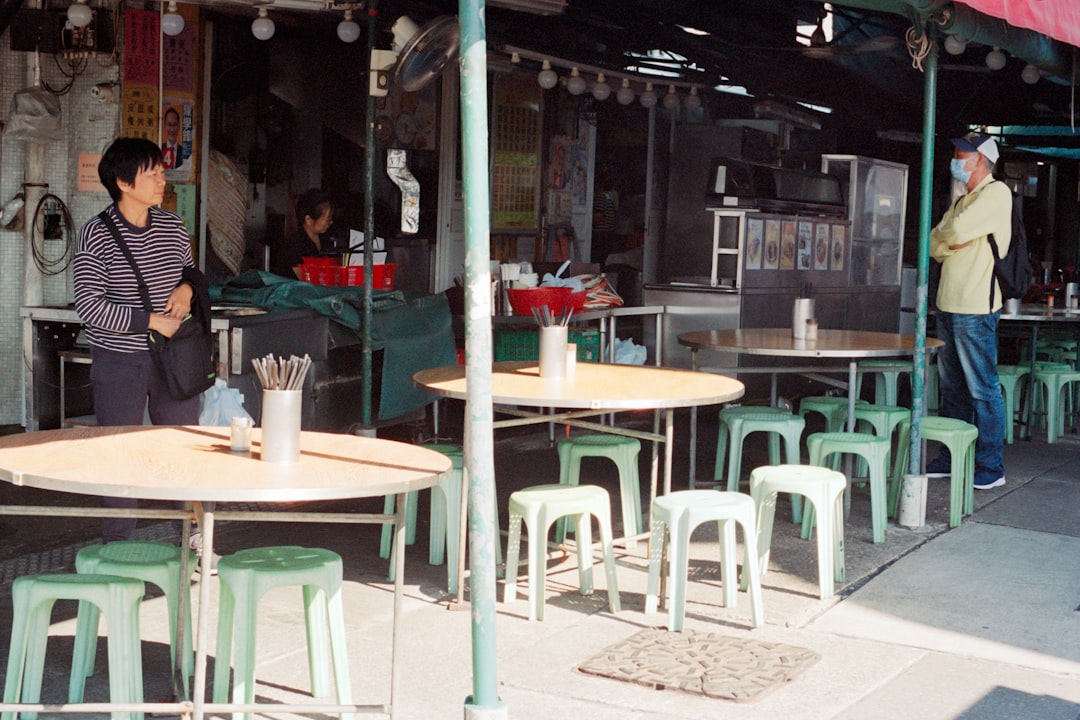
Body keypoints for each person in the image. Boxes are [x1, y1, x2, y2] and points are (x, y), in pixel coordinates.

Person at [73, 137, 205, 543]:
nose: (162, 180)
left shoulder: (171, 225)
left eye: (162, 171)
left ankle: (195, 541)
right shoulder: (95, 234)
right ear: (123, 182)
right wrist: (149, 321)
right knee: (121, 454)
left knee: (185, 450)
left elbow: (192, 273)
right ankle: (118, 547)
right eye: (152, 173)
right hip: (119, 360)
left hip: (174, 356)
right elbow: (89, 306)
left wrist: (186, 292)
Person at [927, 130, 1012, 490]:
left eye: (963, 154)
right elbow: (935, 241)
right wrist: (951, 239)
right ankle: (951, 457)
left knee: (983, 388)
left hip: (976, 307)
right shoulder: (964, 199)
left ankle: (991, 466)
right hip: (948, 303)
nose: (957, 159)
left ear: (980, 160)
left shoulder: (997, 193)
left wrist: (953, 234)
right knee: (953, 390)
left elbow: (956, 228)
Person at [271, 189, 334, 278]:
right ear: (309, 220)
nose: (331, 222)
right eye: (327, 218)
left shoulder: (325, 240)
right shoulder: (293, 245)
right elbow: (306, 280)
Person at [591, 169, 618, 265]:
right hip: (607, 233)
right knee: (602, 260)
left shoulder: (600, 197)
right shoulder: (609, 197)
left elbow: (597, 217)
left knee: (597, 260)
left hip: (600, 234)